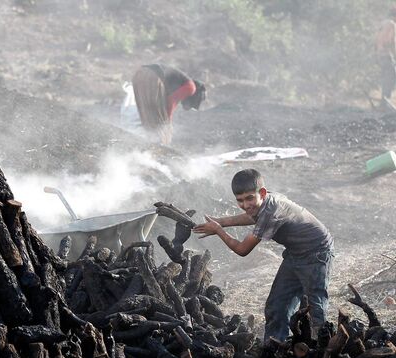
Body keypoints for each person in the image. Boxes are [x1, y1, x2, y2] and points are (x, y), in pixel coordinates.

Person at [192, 169, 334, 341]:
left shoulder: (270, 211)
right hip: (295, 253)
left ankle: (322, 350)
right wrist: (221, 222)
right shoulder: (264, 203)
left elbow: (242, 250)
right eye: (240, 200)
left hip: (316, 252)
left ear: (262, 193)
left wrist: (218, 230)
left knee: (315, 306)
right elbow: (253, 216)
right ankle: (274, 348)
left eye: (249, 198)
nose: (245, 204)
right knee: (277, 306)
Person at [131, 64, 206, 145]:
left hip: (139, 75)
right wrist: (168, 125)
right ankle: (161, 143)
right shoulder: (191, 87)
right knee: (161, 120)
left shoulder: (175, 84)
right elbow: (170, 103)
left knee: (148, 113)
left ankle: (149, 140)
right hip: (153, 75)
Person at [375, 5, 396, 108]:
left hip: (379, 55)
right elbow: (392, 43)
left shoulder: (382, 24)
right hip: (386, 55)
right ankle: (385, 101)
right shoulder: (392, 25)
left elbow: (377, 40)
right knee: (393, 78)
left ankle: (384, 101)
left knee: (386, 78)